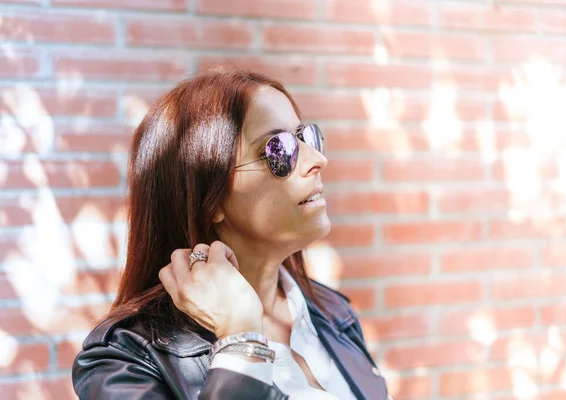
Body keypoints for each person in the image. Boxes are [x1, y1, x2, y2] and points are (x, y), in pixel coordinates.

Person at [72, 70, 391, 400]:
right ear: (208, 198)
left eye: (305, 138)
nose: (317, 160)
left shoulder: (333, 313)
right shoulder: (126, 361)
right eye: (278, 148)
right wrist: (241, 343)